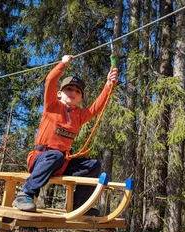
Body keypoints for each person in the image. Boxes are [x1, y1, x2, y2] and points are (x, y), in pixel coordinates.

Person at [12, 55, 118, 216]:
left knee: (93, 165)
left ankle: (79, 206)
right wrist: (63, 63)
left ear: (81, 98)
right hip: (40, 158)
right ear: (60, 93)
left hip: (61, 163)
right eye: (69, 89)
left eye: (77, 91)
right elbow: (50, 81)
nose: (73, 92)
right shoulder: (51, 106)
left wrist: (108, 84)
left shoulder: (79, 116)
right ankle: (25, 194)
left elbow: (97, 106)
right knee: (55, 155)